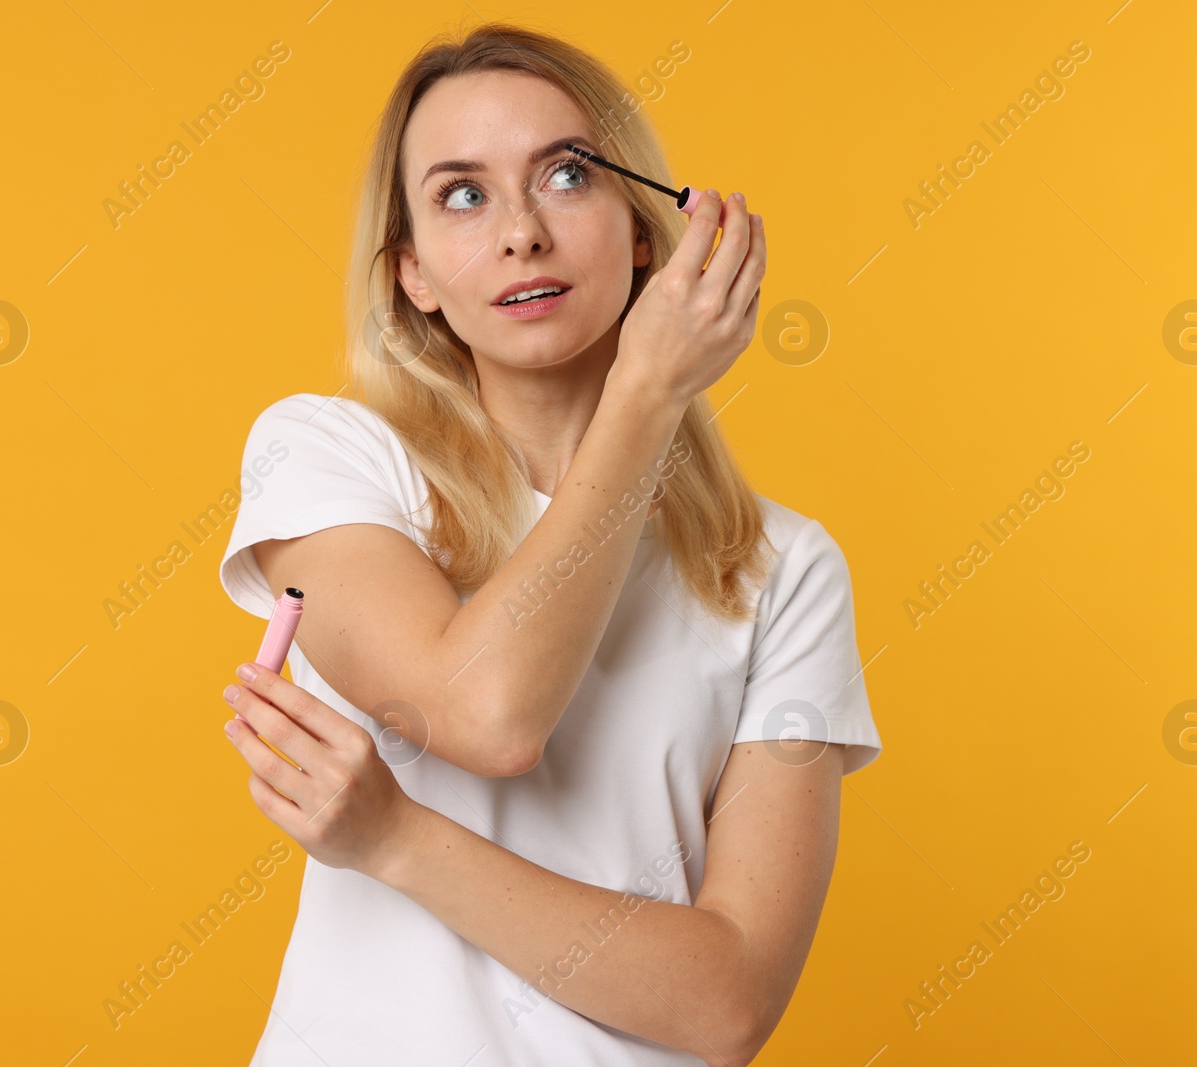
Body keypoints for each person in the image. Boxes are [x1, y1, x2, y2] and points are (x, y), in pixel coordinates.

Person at [216, 22, 882, 1067]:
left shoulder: (782, 570)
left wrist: (395, 838)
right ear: (413, 275)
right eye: (463, 195)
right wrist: (646, 396)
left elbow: (725, 1002)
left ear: (646, 232)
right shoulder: (328, 457)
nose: (520, 232)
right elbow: (486, 713)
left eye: (567, 174)